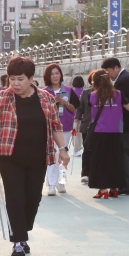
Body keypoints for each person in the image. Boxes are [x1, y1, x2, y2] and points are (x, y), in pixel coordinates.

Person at [0, 56, 71, 256]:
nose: (15, 83)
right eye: (12, 78)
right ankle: (18, 241)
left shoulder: (46, 98)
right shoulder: (2, 98)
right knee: (15, 197)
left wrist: (63, 149)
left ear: (31, 78)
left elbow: (56, 126)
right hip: (9, 157)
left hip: (38, 157)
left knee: (32, 199)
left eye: (20, 79)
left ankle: (23, 231)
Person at [85, 69, 129, 199]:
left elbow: (90, 108)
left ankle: (103, 189)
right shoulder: (118, 94)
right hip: (116, 131)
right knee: (115, 160)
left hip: (99, 131)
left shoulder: (93, 95)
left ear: (95, 82)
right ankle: (114, 188)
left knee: (100, 161)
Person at [102, 57, 129, 196]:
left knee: (123, 152)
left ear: (116, 67)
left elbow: (118, 101)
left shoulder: (122, 81)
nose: (108, 75)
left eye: (108, 71)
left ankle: (126, 185)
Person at [41, 63, 80, 196]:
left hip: (66, 127)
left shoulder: (69, 91)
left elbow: (74, 108)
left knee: (63, 156)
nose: (55, 76)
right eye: (52, 74)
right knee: (52, 156)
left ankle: (61, 182)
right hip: (49, 128)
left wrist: (65, 103)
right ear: (48, 76)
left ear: (61, 75)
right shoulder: (44, 92)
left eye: (57, 73)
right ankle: (51, 184)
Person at [74, 72, 95, 184]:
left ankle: (96, 173)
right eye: (93, 80)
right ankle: (85, 173)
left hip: (102, 126)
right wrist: (76, 119)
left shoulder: (106, 93)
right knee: (87, 149)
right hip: (87, 125)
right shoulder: (85, 93)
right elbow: (80, 108)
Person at [70, 75, 85, 156]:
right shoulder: (85, 92)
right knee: (82, 134)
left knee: (75, 133)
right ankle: (81, 147)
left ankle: (76, 149)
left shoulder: (72, 92)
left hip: (75, 116)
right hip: (84, 117)